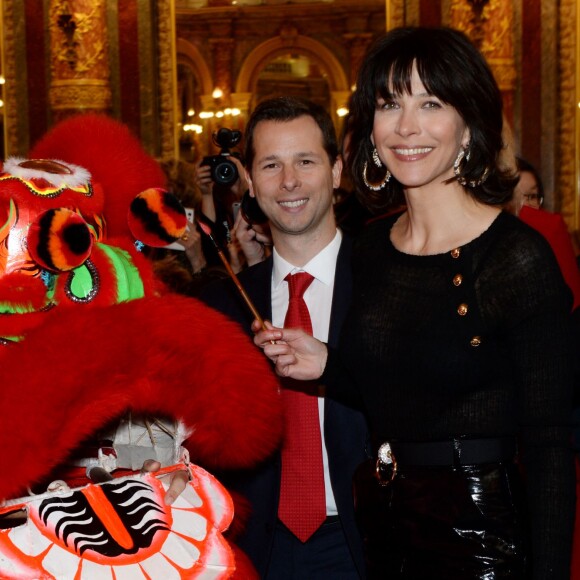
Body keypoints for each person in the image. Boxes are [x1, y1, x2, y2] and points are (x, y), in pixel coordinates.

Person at [253, 28, 576, 579]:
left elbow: (551, 445)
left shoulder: (516, 257)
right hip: (382, 531)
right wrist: (327, 363)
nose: (406, 126)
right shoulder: (375, 247)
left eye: (430, 103)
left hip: (481, 541)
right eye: (389, 104)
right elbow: (401, 389)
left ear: (468, 123)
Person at [201, 96, 369, 579]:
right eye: (271, 165)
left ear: (337, 171)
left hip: (365, 544)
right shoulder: (224, 305)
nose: (289, 181)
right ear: (250, 181)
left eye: (306, 162)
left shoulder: (385, 284)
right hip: (256, 548)